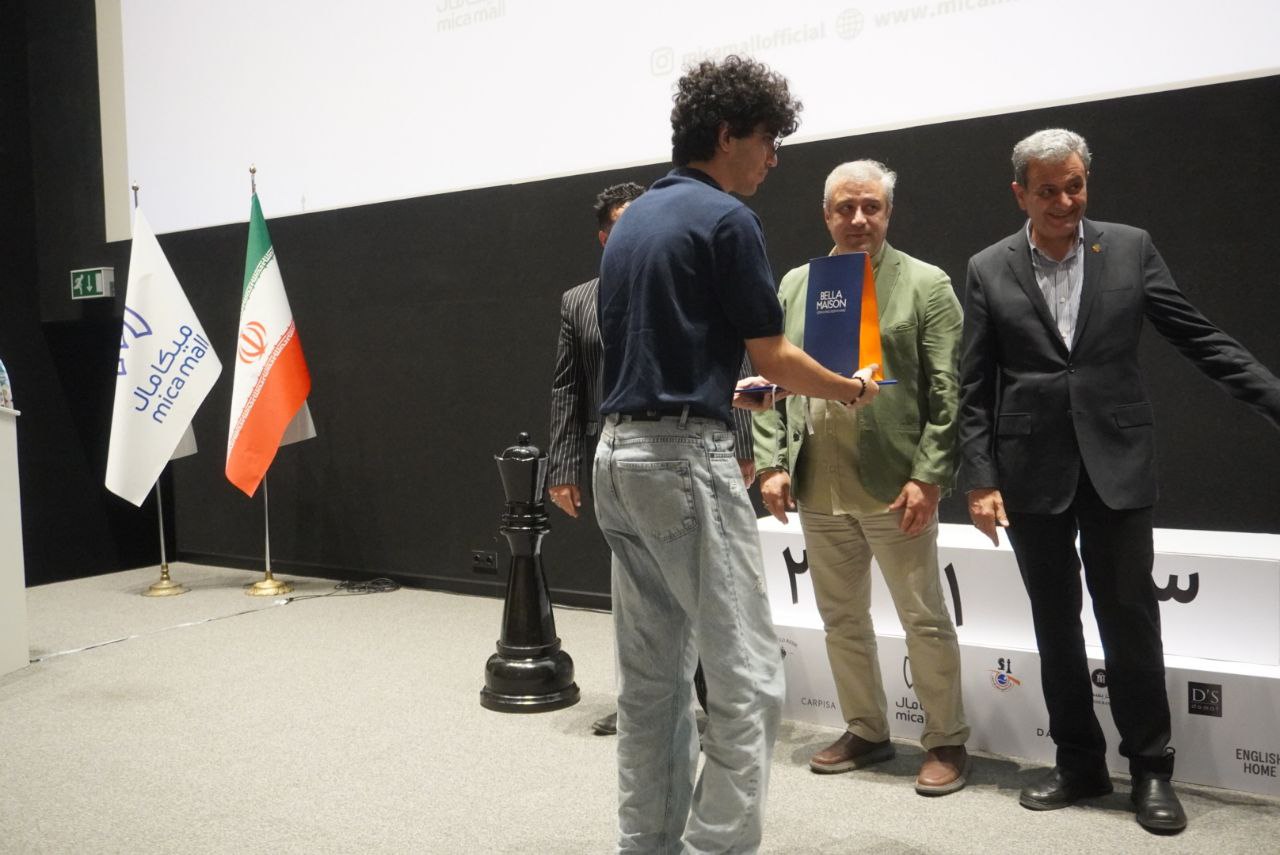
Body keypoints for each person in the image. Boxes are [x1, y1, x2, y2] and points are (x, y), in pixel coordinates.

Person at [594, 55, 880, 853]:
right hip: (682, 463)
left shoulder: (633, 221)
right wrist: (848, 388)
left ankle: (644, 844)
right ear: (727, 135)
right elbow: (776, 352)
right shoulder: (728, 219)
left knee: (651, 685)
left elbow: (651, 350)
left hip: (619, 459)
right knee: (750, 680)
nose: (774, 158)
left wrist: (726, 392)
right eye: (768, 140)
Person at [958, 128, 1280, 834]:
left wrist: (1272, 397)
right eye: (1048, 190)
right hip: (1031, 470)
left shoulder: (1130, 248)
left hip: (1118, 462)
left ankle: (1151, 770)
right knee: (1054, 622)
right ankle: (1078, 762)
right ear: (1020, 194)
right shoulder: (987, 267)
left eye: (1075, 186)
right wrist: (979, 478)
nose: (1065, 201)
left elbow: (1197, 334)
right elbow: (973, 384)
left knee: (1130, 619)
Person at [753, 159, 969, 795]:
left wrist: (929, 475)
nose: (858, 219)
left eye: (870, 206)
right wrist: (771, 461)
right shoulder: (796, 285)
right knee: (841, 619)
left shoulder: (926, 284)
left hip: (895, 485)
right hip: (818, 482)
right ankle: (867, 730)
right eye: (845, 208)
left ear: (888, 213)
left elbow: (948, 391)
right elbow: (769, 377)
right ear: (826, 215)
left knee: (923, 619)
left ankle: (946, 739)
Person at [546, 182, 754, 735]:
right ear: (605, 238)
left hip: (685, 451)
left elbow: (730, 362)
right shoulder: (578, 301)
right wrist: (563, 467)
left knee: (704, 589)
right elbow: (568, 387)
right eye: (623, 224)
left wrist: (742, 445)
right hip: (616, 462)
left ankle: (715, 705)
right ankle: (647, 703)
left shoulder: (685, 284)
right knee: (639, 597)